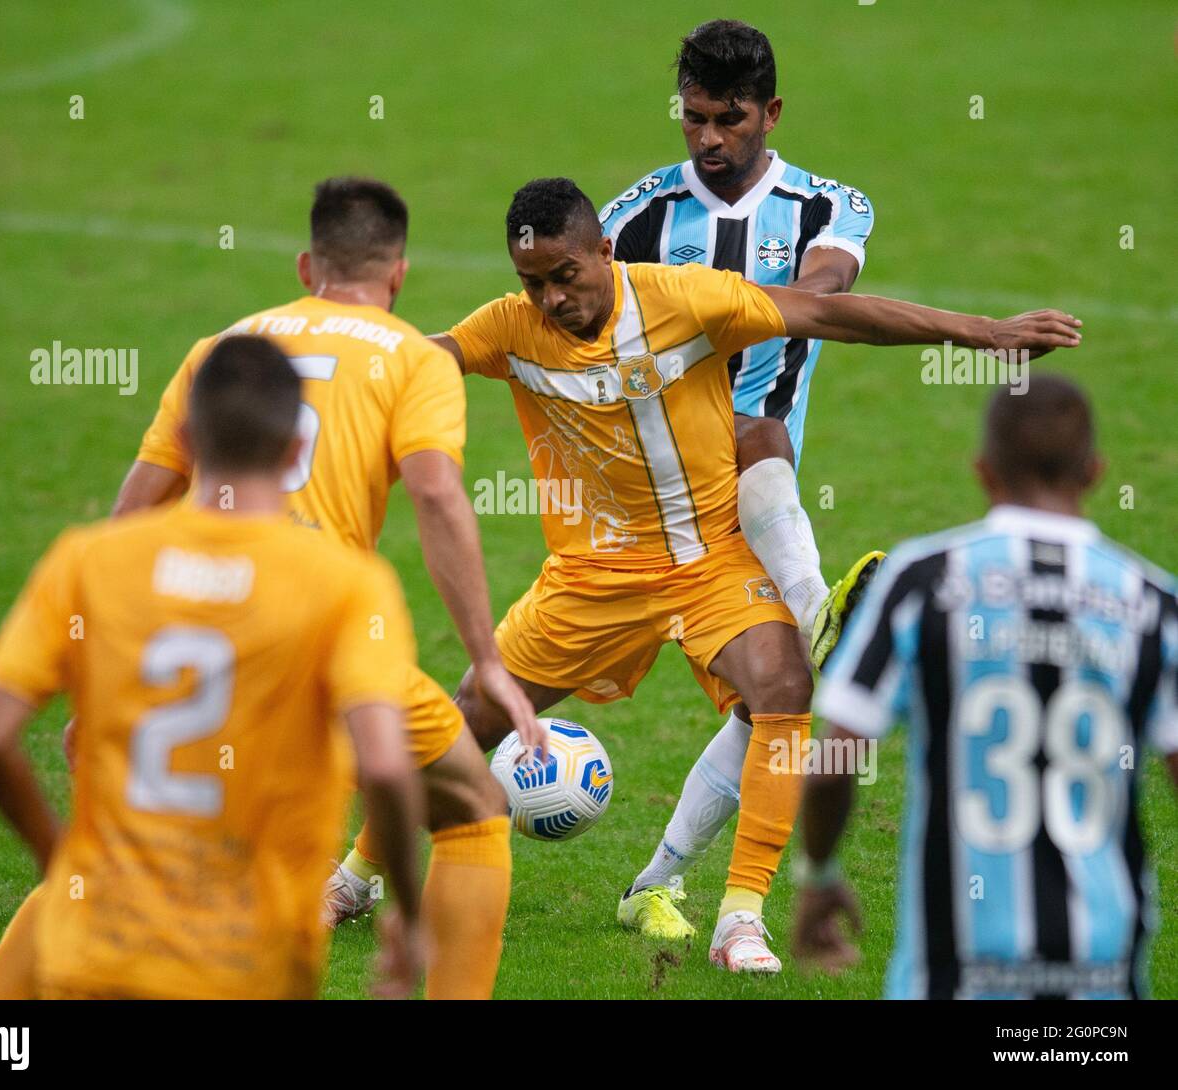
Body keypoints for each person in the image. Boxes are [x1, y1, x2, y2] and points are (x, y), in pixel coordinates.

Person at [433, 176, 1080, 973]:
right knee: (467, 721)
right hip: (592, 574)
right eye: (534, 283)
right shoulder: (509, 327)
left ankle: (740, 918)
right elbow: (414, 362)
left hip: (708, 561)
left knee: (783, 685)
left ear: (606, 251)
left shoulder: (686, 299)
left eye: (566, 275)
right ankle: (355, 879)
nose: (552, 298)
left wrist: (986, 333)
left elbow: (833, 314)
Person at [0, 176, 536, 1001]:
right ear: (400, 273)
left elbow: (133, 509)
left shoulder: (222, 349)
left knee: (114, 844)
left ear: (307, 264)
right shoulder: (414, 360)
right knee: (473, 807)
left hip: (169, 647)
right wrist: (485, 658)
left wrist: (100, 676)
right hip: (316, 638)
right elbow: (437, 493)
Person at [0, 335, 425, 999]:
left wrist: (56, 855)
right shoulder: (346, 585)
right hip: (246, 965)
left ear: (182, 440)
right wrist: (406, 909)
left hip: (97, 952)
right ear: (296, 452)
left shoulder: (88, 561)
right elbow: (383, 764)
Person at [600, 18, 884, 939]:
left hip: (755, 494)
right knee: (507, 692)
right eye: (693, 119)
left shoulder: (826, 206)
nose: (709, 139)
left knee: (785, 687)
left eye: (727, 119)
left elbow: (824, 290)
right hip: (649, 500)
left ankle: (670, 888)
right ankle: (360, 873)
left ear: (770, 112)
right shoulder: (636, 217)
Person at [796, 374, 1178, 999]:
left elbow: (836, 763)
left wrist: (820, 873)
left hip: (954, 971)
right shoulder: (1154, 603)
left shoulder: (923, 580)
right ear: (1096, 472)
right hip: (1104, 972)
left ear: (983, 470)